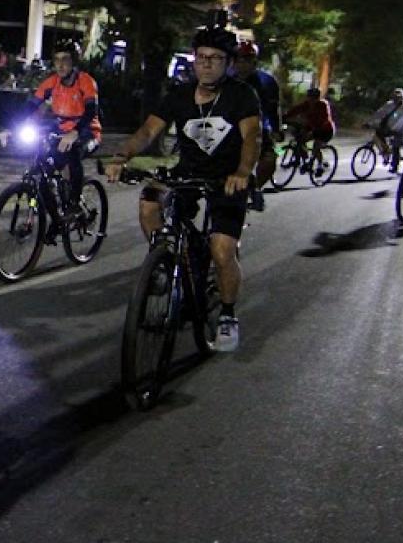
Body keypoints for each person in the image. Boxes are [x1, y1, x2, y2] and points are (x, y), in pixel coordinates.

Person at [106, 24, 260, 352]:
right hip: (187, 173)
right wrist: (122, 156)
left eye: (215, 58)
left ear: (229, 63)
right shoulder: (179, 95)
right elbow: (148, 131)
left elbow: (252, 136)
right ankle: (163, 257)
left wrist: (243, 171)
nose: (206, 64)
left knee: (221, 250)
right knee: (150, 199)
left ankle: (228, 315)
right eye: (201, 57)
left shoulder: (241, 95)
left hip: (227, 180)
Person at [0, 40, 101, 216]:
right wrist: (11, 128)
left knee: (73, 152)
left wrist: (74, 133)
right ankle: (55, 220)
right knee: (42, 173)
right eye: (57, 60)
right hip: (62, 131)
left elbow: (91, 111)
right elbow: (30, 107)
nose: (60, 65)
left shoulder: (86, 81)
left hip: (87, 131)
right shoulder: (51, 83)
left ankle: (74, 204)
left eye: (66, 59)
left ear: (74, 61)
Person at [230, 39, 280, 208]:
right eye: (239, 59)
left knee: (269, 159)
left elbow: (273, 108)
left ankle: (256, 187)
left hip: (259, 128)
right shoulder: (225, 79)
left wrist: (276, 129)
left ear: (254, 62)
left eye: (247, 60)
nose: (242, 64)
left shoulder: (267, 82)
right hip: (228, 126)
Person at [285, 87, 336, 165]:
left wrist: (311, 130)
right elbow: (294, 110)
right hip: (312, 127)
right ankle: (302, 158)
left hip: (326, 130)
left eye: (314, 98)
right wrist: (283, 118)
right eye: (310, 98)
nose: (311, 100)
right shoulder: (305, 105)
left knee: (316, 146)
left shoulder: (322, 106)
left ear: (317, 98)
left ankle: (320, 165)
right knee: (300, 139)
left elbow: (322, 120)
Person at [366, 88, 403, 168]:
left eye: (398, 97)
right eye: (395, 97)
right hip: (389, 127)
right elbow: (379, 113)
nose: (396, 99)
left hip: (402, 129)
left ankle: (395, 165)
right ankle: (386, 151)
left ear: (402, 98)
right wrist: (369, 122)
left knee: (396, 144)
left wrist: (389, 128)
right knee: (378, 134)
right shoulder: (389, 104)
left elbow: (399, 120)